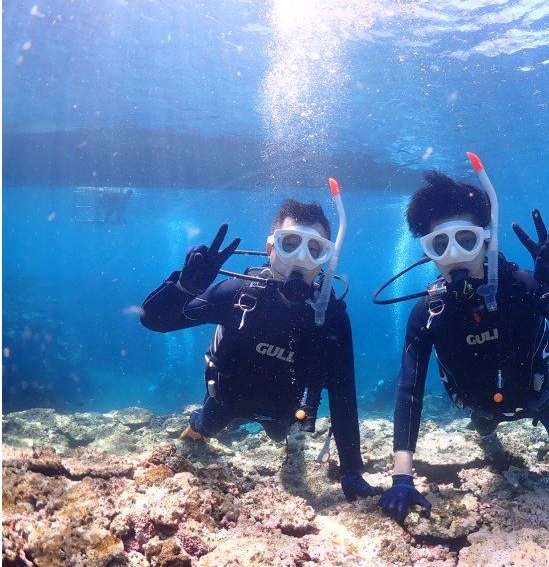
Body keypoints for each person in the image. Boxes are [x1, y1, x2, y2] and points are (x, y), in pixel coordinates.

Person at [377, 166, 549, 524]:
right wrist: (401, 476)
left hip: (539, 398)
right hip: (480, 407)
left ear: (487, 238)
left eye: (466, 239)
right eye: (440, 244)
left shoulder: (522, 286)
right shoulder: (429, 312)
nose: (454, 254)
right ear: (428, 252)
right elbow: (410, 391)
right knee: (485, 427)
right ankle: (488, 430)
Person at [140, 198, 380, 502]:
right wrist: (184, 288)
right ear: (270, 248)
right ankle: (197, 424)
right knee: (205, 425)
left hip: (284, 412)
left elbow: (343, 395)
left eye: (314, 249)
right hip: (226, 400)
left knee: (282, 436)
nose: (301, 259)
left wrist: (351, 471)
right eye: (290, 244)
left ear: (326, 260)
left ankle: (287, 439)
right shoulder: (238, 294)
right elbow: (155, 322)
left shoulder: (330, 317)